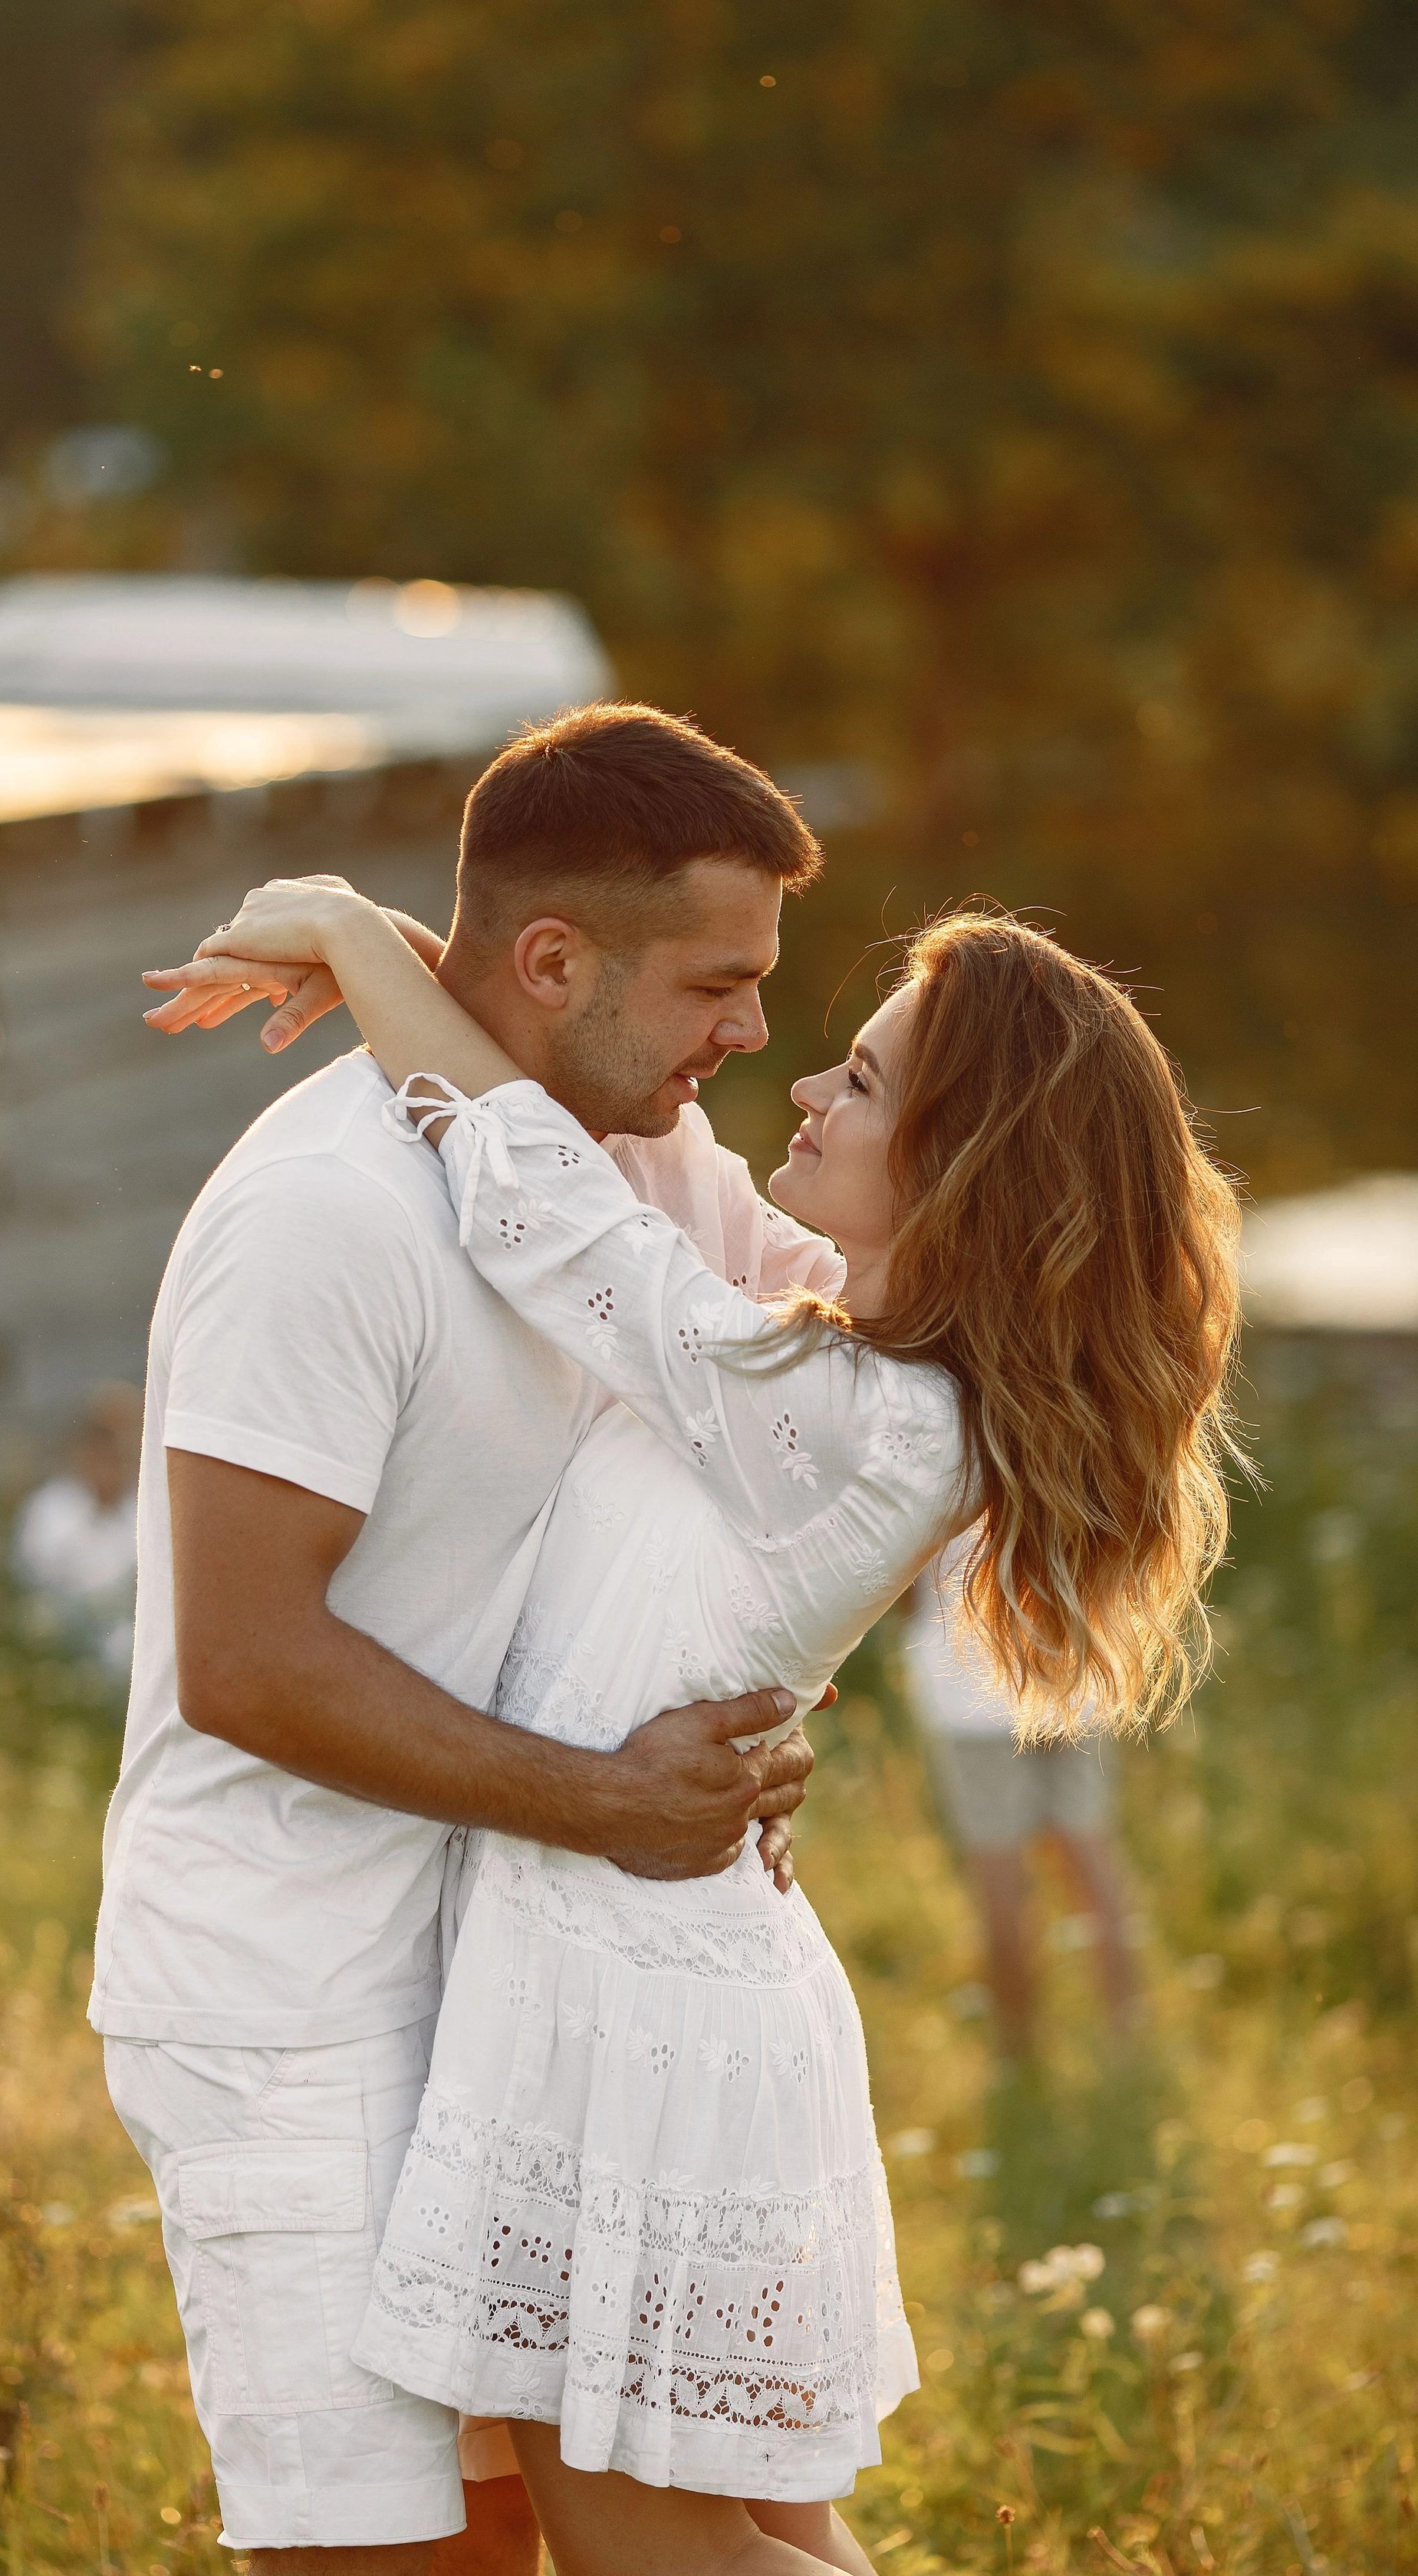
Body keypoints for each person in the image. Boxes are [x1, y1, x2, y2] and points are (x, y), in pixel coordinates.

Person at [159, 878, 1243, 2576]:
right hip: (652, 1970)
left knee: (649, 2550)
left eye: (866, 1084)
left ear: (963, 1169)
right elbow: (607, 1201)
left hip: (630, 2001)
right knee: (757, 2534)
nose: (806, 1087)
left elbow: (543, 1207)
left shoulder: (841, 1413)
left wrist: (350, 929)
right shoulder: (851, 1369)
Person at [98, 706, 835, 2576]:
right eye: (716, 986)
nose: (749, 1037)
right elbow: (244, 1662)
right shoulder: (321, 1218)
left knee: (641, 2530)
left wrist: (729, 1732)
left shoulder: (646, 1167)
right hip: (300, 2002)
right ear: (553, 961)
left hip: (529, 1987)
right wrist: (605, 1798)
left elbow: (803, 1419)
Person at [903, 1536, 1141, 2062]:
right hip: (1072, 1671)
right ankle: (1128, 2043)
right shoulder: (1066, 1448)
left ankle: (1018, 2056)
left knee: (1000, 1878)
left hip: (971, 1688)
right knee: (1091, 1856)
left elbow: (899, 1580)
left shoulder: (935, 1453)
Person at [12, 1381, 143, 1674]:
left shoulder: (142, 1509)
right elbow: (35, 1581)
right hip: (64, 1647)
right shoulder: (49, 1510)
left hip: (130, 1646)